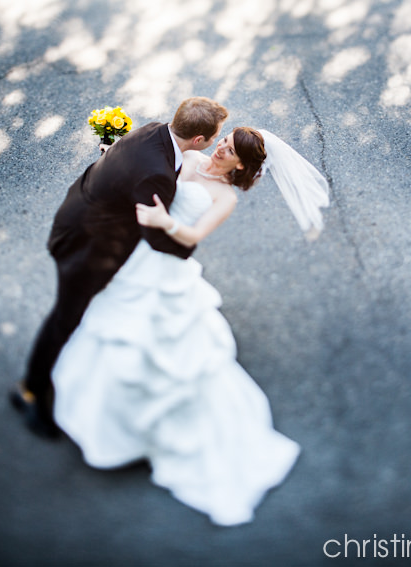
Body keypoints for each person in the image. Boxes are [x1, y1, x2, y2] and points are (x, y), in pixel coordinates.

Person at [50, 127, 329, 526]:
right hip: (137, 250)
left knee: (157, 340)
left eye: (229, 151)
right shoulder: (192, 159)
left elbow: (194, 234)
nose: (219, 149)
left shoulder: (224, 198)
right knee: (111, 323)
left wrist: (164, 221)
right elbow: (151, 178)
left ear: (241, 166)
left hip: (165, 263)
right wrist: (117, 157)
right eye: (223, 141)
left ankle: (154, 431)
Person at [11, 97, 229, 438]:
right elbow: (154, 234)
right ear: (199, 140)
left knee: (80, 314)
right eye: (216, 136)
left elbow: (128, 171)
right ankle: (29, 391)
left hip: (81, 215)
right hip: (85, 247)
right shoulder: (157, 173)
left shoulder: (155, 131)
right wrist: (186, 248)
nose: (217, 142)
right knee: (64, 318)